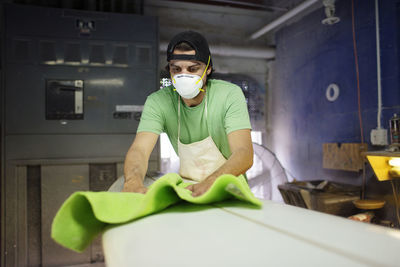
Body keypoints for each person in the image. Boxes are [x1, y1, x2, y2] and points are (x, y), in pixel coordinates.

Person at [122, 30, 253, 196]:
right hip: (188, 191)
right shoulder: (158, 102)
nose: (184, 76)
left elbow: (244, 153)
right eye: (176, 69)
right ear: (169, 70)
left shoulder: (228, 95)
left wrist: (211, 181)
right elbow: (139, 149)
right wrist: (132, 182)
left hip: (230, 188)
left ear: (208, 69)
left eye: (193, 69)